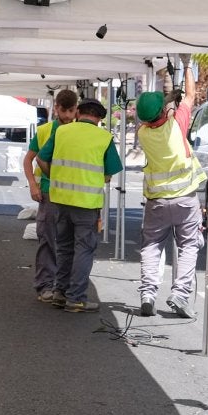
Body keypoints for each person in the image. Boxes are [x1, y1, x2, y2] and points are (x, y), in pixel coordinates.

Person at [37, 99, 121, 312]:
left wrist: (54, 177)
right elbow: (109, 172)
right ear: (99, 119)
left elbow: (40, 159)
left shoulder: (62, 132)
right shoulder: (104, 137)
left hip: (60, 199)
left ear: (78, 113)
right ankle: (76, 298)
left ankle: (60, 293)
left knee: (64, 247)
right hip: (86, 204)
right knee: (83, 249)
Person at [133, 90, 207, 317]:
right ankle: (180, 294)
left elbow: (153, 115)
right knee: (189, 246)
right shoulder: (177, 126)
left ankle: (147, 294)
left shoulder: (143, 133)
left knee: (151, 247)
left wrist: (166, 104)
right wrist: (186, 65)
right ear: (164, 111)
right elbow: (191, 95)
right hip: (185, 200)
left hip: (157, 202)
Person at [25, 88, 77, 301]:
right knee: (48, 239)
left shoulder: (78, 132)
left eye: (70, 111)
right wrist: (33, 185)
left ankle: (62, 286)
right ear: (55, 108)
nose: (66, 115)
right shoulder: (45, 130)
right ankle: (45, 285)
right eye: (63, 110)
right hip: (48, 192)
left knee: (67, 242)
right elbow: (29, 159)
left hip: (72, 194)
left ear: (76, 110)